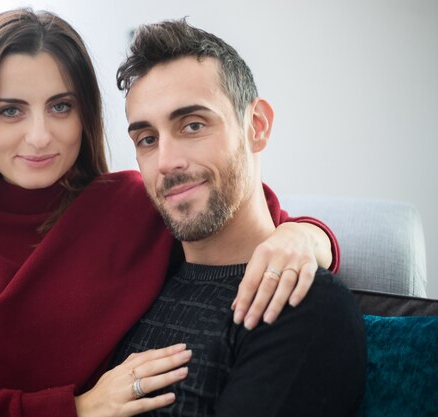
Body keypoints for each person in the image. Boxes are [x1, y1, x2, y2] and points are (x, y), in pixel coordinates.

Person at [0, 9, 341, 417]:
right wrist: (71, 410)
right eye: (10, 110)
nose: (39, 136)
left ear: (87, 115)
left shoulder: (131, 205)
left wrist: (306, 237)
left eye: (61, 107)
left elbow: (233, 206)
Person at [111, 19, 366, 416]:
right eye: (147, 139)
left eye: (193, 125)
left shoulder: (301, 305)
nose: (166, 163)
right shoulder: (134, 270)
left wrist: (304, 236)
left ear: (257, 127)